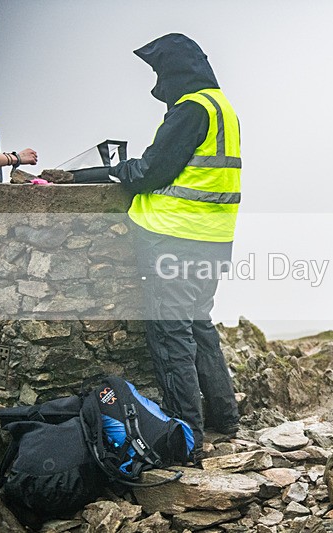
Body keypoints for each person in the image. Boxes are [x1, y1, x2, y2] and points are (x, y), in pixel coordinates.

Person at [108, 33, 241, 461]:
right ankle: (225, 418)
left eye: (159, 72)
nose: (157, 84)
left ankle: (185, 438)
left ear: (175, 71)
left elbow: (150, 171)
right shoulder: (222, 108)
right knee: (199, 326)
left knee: (171, 335)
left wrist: (117, 169)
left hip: (174, 237)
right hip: (214, 239)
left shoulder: (191, 110)